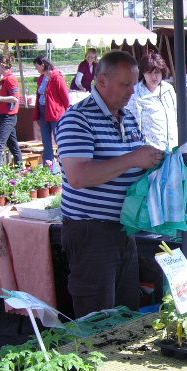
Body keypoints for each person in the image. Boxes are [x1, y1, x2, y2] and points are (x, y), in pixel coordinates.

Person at [56, 51, 165, 317]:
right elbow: (79, 176)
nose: (131, 91)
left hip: (123, 229)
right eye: (124, 84)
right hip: (91, 231)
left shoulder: (126, 117)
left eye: (133, 84)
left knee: (125, 310)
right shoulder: (77, 119)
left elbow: (136, 165)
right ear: (102, 80)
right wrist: (133, 158)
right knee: (97, 315)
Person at [126, 52, 178, 151]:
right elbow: (133, 128)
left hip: (173, 150)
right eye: (149, 73)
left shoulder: (168, 89)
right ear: (143, 73)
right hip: (150, 153)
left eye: (157, 72)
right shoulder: (136, 93)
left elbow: (176, 116)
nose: (154, 77)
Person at [33, 54, 70, 165]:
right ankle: (47, 164)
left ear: (43, 65)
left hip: (55, 112)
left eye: (36, 66)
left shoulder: (57, 78)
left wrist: (65, 112)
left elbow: (65, 98)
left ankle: (64, 164)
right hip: (43, 111)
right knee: (46, 140)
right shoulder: (41, 79)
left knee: (59, 138)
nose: (36, 68)